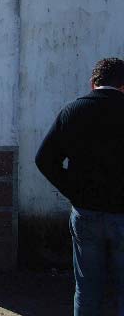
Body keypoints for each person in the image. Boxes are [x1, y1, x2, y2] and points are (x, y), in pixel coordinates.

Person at [36, 58, 124, 316]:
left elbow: (44, 159)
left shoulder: (72, 111)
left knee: (87, 288)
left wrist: (73, 190)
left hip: (86, 212)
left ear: (93, 83)